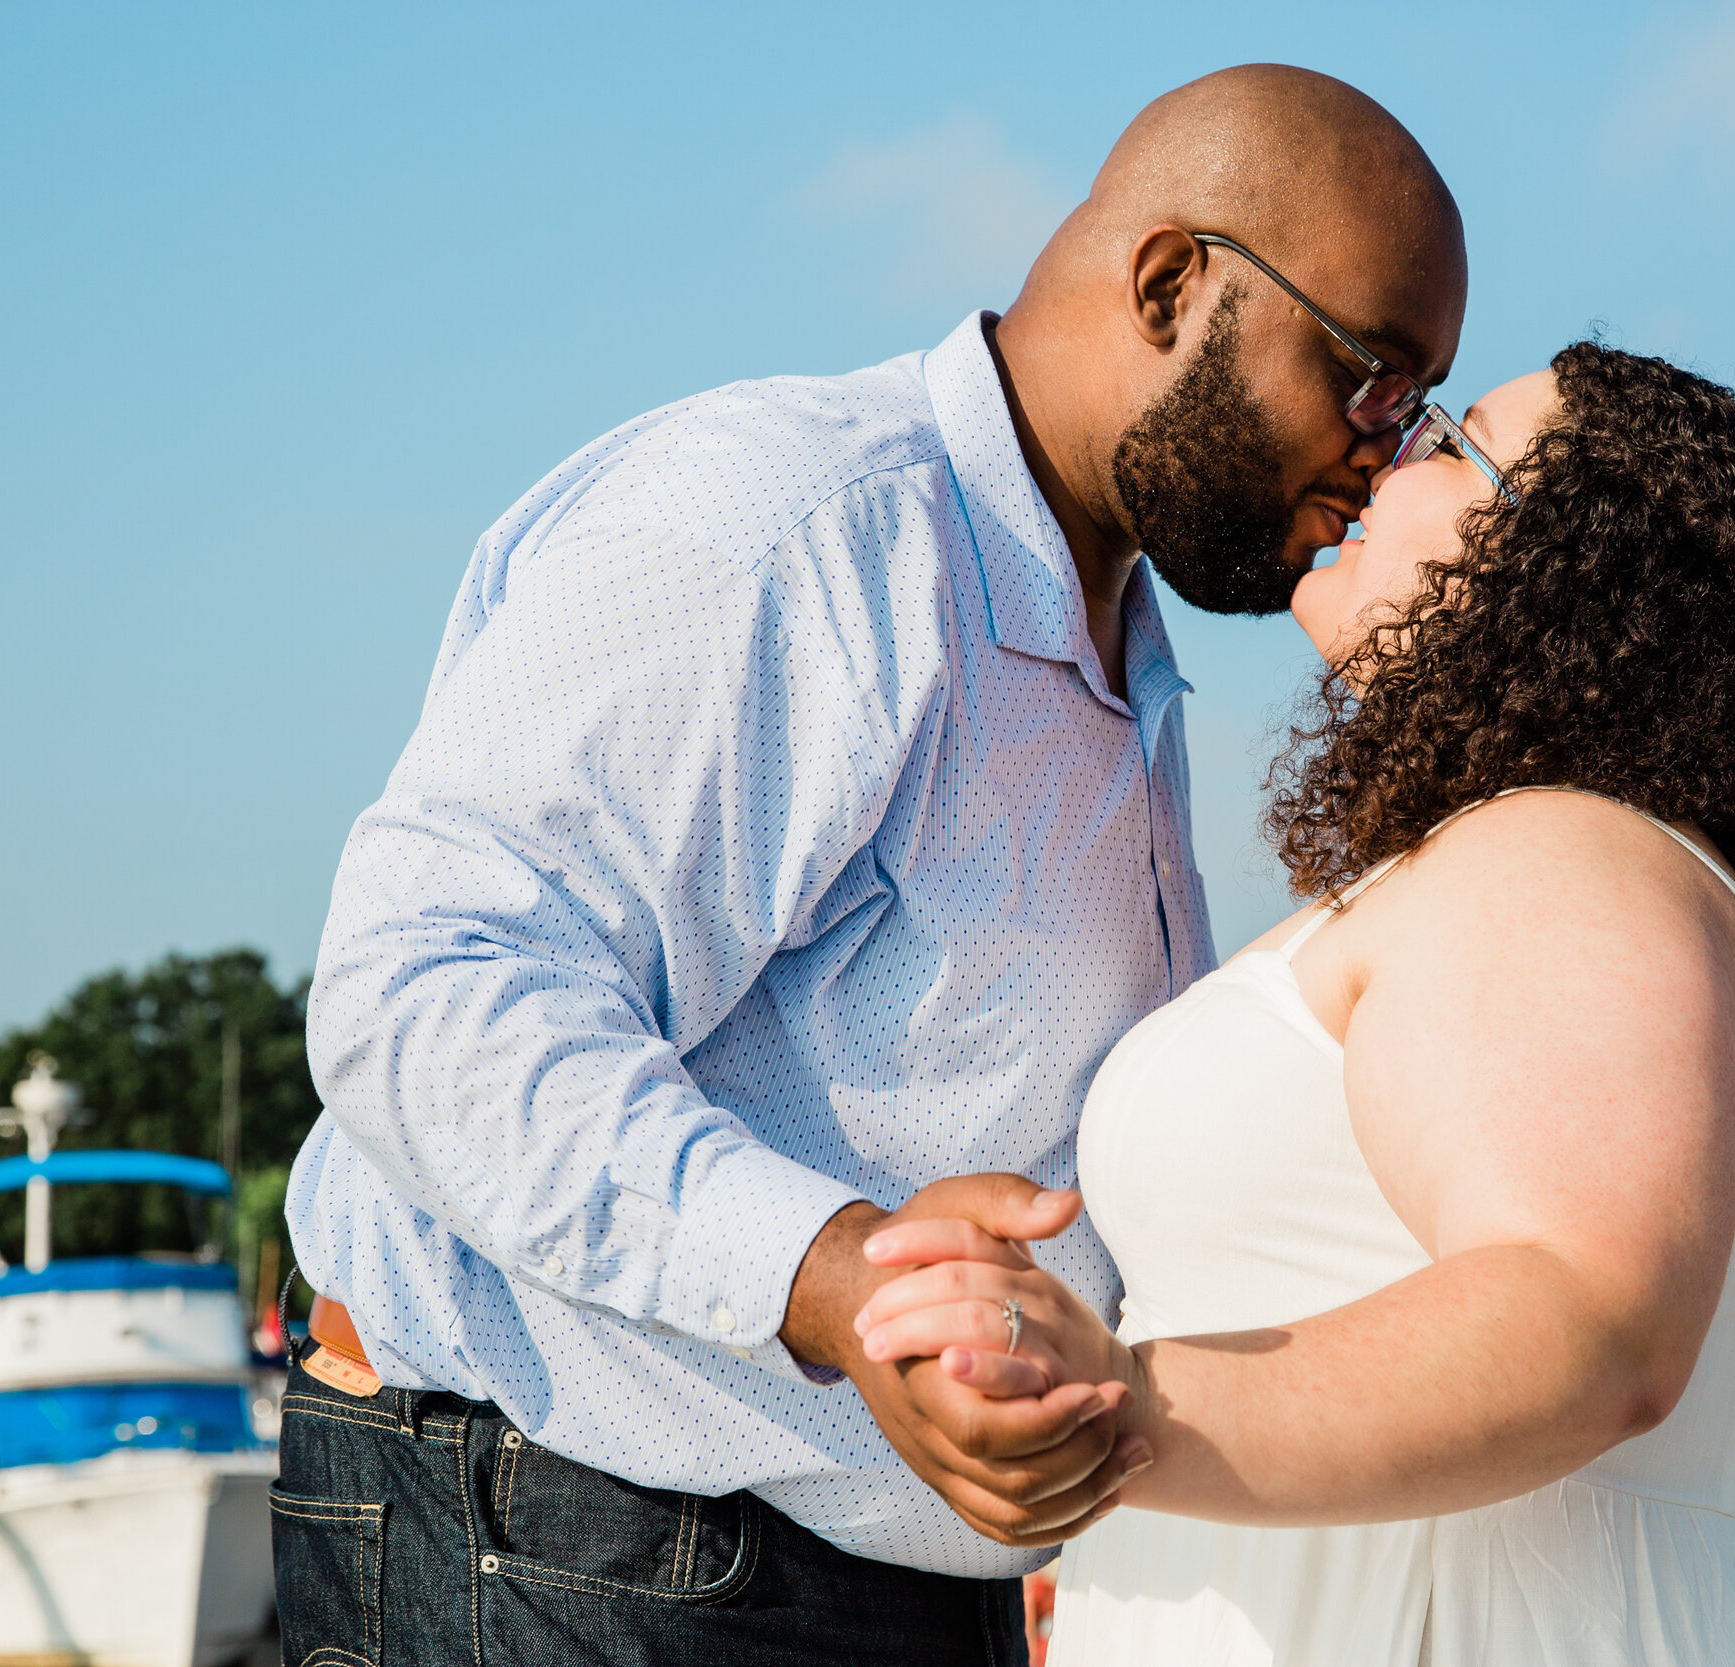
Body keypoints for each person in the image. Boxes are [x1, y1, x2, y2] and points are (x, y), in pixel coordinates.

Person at [272, 66, 1470, 1667]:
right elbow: (420, 989)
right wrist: (836, 1277)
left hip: (855, 1588)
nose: (1386, 455)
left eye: (1424, 411)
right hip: (572, 1549)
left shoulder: (1115, 642)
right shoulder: (789, 530)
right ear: (1174, 285)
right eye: (1372, 375)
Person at [853, 344, 1735, 1664]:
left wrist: (1112, 1403)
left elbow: (1589, 1313)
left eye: (1451, 442)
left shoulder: (1563, 859)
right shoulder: (1532, 864)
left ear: (1574, 561)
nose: (1386, 460)